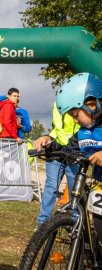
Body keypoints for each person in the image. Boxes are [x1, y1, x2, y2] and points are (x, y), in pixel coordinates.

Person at [34, 72, 102, 237]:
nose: (75, 120)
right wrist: (48, 143)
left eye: (75, 115)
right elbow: (69, 147)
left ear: (91, 105)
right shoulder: (84, 132)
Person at [35, 102, 79, 225]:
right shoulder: (58, 103)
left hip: (74, 152)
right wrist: (47, 138)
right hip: (56, 152)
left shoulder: (82, 104)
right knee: (51, 187)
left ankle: (74, 222)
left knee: (74, 191)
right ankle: (42, 223)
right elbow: (57, 129)